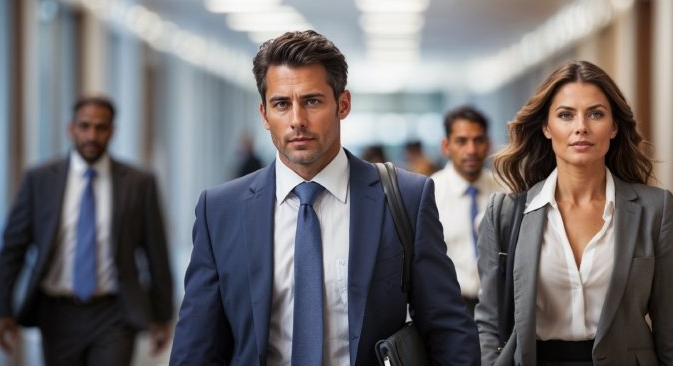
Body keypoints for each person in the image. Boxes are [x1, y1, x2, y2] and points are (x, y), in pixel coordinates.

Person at [170, 30, 480, 365]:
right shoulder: (220, 210)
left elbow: (447, 328)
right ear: (264, 115)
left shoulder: (406, 198)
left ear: (342, 104)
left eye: (312, 101)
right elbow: (197, 344)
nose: (297, 121)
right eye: (281, 104)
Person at [475, 60, 673, 365]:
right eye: (565, 115)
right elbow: (489, 321)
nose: (581, 127)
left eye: (595, 114)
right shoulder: (504, 212)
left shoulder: (655, 211)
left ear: (613, 127)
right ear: (546, 127)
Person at [0, 95, 174, 365]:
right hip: (57, 313)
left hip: (115, 312)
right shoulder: (40, 180)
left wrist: (162, 315)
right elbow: (12, 249)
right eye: (85, 126)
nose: (92, 135)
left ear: (112, 131)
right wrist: (2, 309)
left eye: (101, 128)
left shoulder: (139, 183)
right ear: (71, 128)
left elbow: (156, 252)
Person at [431, 106, 502, 315]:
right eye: (461, 141)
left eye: (478, 140)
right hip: (450, 307)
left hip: (497, 305)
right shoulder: (430, 194)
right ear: (446, 146)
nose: (471, 150)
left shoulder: (505, 191)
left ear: (488, 144)